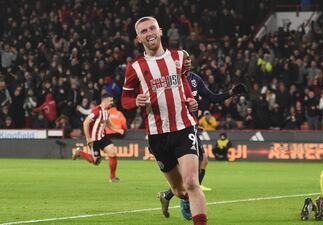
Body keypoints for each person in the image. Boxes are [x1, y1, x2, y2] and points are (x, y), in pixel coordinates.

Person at [121, 16, 207, 225]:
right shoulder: (135, 67)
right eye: (143, 31)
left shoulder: (179, 57)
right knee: (179, 190)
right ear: (138, 38)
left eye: (152, 28)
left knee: (191, 182)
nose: (149, 33)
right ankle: (170, 197)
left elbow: (183, 81)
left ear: (160, 31)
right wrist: (135, 101)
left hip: (183, 127)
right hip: (157, 135)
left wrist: (190, 99)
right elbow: (124, 99)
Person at [157, 71, 247, 220]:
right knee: (185, 175)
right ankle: (183, 199)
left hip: (191, 129)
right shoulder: (170, 79)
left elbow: (212, 97)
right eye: (184, 59)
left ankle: (170, 196)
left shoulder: (194, 79)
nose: (187, 62)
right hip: (176, 130)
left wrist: (232, 92)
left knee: (202, 161)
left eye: (189, 59)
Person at [72, 93, 124, 182]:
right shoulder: (96, 111)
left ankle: (112, 177)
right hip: (94, 139)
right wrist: (88, 138)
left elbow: (108, 123)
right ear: (105, 101)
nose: (112, 102)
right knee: (96, 161)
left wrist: (117, 130)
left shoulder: (107, 111)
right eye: (110, 101)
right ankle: (80, 152)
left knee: (113, 153)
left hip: (103, 137)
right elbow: (86, 123)